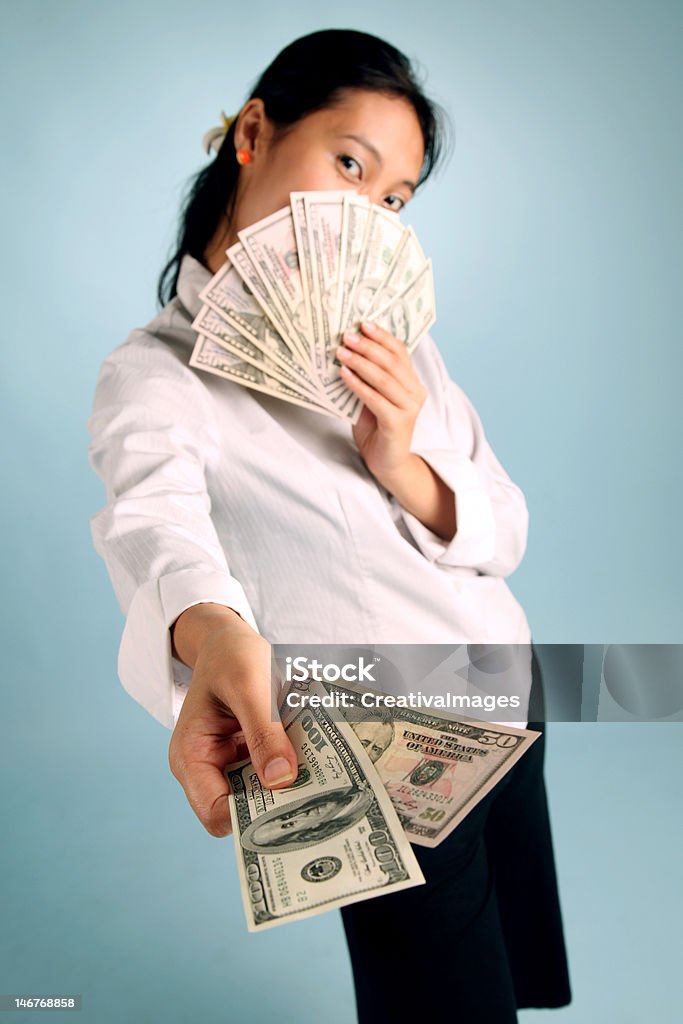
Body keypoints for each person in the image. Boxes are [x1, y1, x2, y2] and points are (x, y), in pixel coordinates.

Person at [88, 28, 571, 1023]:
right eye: (348, 164)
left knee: (508, 974)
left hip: (506, 690)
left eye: (393, 198)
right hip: (380, 741)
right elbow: (154, 522)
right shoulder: (156, 373)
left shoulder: (401, 347)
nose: (369, 216)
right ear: (254, 133)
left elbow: (504, 528)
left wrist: (402, 462)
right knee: (443, 1002)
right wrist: (213, 628)